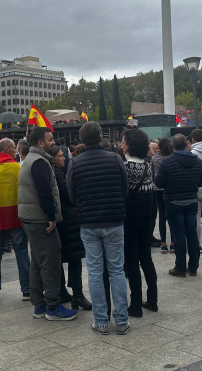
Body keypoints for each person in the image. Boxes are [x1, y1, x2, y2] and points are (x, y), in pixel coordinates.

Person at [68, 122, 129, 334]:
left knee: (94, 272)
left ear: (82, 139)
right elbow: (124, 187)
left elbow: (71, 194)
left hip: (89, 222)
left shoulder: (74, 163)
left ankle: (101, 321)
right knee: (117, 270)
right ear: (101, 136)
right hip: (113, 220)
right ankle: (121, 320)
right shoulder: (115, 158)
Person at [19, 127, 77, 321]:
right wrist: (51, 216)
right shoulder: (40, 162)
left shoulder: (29, 159)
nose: (54, 142)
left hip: (31, 218)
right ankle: (53, 307)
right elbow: (44, 192)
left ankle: (39, 306)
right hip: (41, 219)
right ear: (40, 143)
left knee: (37, 262)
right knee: (50, 262)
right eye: (50, 139)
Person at [0, 139, 31, 302]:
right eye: (14, 149)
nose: (17, 151)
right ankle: (27, 290)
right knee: (22, 252)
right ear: (7, 149)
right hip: (14, 214)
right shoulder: (16, 167)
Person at [154, 134, 202, 278]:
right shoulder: (198, 162)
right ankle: (194, 266)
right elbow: (201, 182)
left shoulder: (167, 162)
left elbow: (159, 183)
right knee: (192, 233)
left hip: (173, 201)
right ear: (187, 144)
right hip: (191, 201)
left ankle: (180, 267)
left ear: (172, 145)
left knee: (179, 235)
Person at [121, 129, 158, 317]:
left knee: (132, 261)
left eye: (124, 142)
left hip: (130, 218)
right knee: (146, 259)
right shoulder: (148, 165)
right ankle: (152, 299)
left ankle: (135, 303)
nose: (121, 145)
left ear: (130, 145)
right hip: (146, 217)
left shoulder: (125, 167)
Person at [50, 145, 91, 310]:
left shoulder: (57, 173)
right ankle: (78, 294)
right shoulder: (58, 175)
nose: (64, 158)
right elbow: (68, 194)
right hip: (67, 222)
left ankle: (64, 292)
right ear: (52, 158)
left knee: (65, 258)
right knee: (75, 259)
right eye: (60, 156)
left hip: (65, 221)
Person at [151, 138, 175, 254]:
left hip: (157, 189)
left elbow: (151, 173)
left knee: (161, 216)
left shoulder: (154, 158)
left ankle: (163, 243)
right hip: (169, 188)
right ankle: (173, 243)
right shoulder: (172, 158)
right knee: (171, 215)